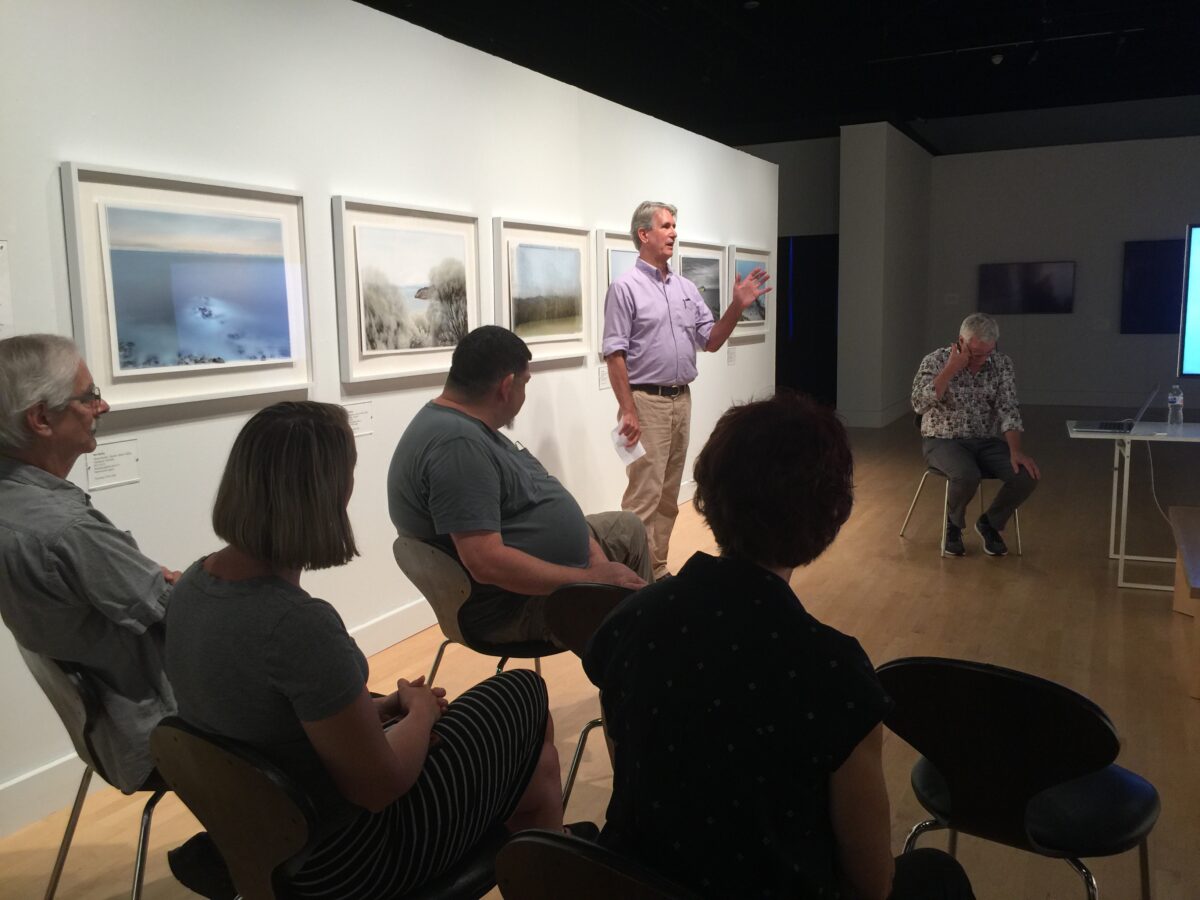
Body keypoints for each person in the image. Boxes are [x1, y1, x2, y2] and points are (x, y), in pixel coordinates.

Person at [166, 401, 571, 899]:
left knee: (539, 770)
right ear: (325, 494)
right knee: (523, 693)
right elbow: (381, 785)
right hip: (346, 863)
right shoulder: (298, 626)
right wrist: (419, 712)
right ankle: (549, 856)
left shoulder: (191, 587)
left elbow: (268, 722)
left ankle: (547, 848)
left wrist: (376, 710)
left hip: (263, 844)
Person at [584, 393, 976, 900]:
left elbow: (630, 774)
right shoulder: (833, 672)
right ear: (832, 514)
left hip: (636, 882)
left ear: (707, 495)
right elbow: (872, 884)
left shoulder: (630, 622)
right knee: (938, 875)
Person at [388, 325, 650, 646]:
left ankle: (639, 647)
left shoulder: (461, 424)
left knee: (628, 528)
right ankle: (638, 658)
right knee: (641, 613)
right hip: (510, 605)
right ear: (506, 386)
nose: (524, 394)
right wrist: (589, 578)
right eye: (525, 383)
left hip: (544, 576)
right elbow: (485, 562)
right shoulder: (457, 446)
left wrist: (592, 556)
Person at [0, 333, 178, 792]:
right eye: (89, 396)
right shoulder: (68, 530)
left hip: (102, 734)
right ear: (41, 418)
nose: (102, 407)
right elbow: (173, 610)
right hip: (161, 733)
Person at [602, 200, 771, 577]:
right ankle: (631, 579)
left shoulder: (685, 288)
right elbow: (614, 354)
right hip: (645, 401)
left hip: (681, 399)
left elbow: (711, 340)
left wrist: (736, 306)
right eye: (665, 226)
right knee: (644, 495)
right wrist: (628, 409)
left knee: (668, 495)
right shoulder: (625, 288)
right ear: (644, 234)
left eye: (674, 226)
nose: (674, 233)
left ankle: (656, 568)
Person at [911, 313, 1039, 557]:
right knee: (966, 475)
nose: (983, 359)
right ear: (961, 341)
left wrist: (1015, 451)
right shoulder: (935, 360)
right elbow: (918, 404)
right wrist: (951, 369)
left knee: (1025, 476)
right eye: (977, 353)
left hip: (985, 440)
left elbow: (1008, 409)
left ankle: (990, 523)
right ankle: (953, 525)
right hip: (942, 439)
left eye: (988, 352)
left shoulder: (1001, 364)